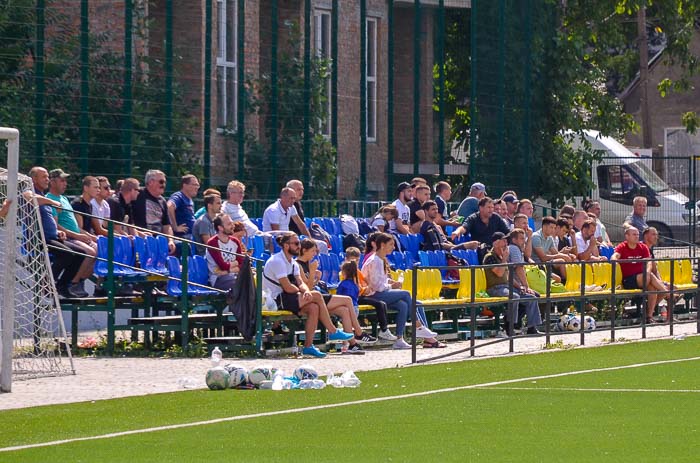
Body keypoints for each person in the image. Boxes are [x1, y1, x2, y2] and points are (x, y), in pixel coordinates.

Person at [261, 232, 353, 358]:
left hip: (287, 298)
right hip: (275, 300)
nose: (299, 246)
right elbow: (287, 287)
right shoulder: (277, 261)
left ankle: (308, 346)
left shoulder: (293, 263)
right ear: (286, 245)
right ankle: (332, 331)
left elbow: (300, 282)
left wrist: (306, 291)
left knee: (314, 308)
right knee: (317, 296)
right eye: (296, 243)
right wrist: (305, 292)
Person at [361, 233, 444, 349]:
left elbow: (380, 281)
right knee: (406, 294)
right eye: (391, 244)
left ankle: (399, 339)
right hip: (373, 295)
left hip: (378, 292)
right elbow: (377, 286)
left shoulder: (380, 259)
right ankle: (418, 327)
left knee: (403, 306)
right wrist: (391, 286)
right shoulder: (375, 261)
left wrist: (391, 283)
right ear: (382, 245)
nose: (393, 247)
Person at [295, 239, 376, 351]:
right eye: (313, 251)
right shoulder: (298, 265)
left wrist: (316, 278)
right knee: (347, 300)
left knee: (344, 310)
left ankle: (352, 344)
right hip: (309, 299)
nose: (314, 254)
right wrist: (313, 272)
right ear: (304, 250)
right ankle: (359, 332)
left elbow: (311, 286)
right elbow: (307, 290)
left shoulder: (308, 264)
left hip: (314, 297)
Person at [28, 167, 86, 298]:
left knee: (81, 253)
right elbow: (30, 197)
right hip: (39, 238)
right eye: (44, 177)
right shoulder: (30, 191)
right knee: (67, 254)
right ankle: (46, 283)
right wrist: (53, 202)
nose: (47, 180)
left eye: (48, 177)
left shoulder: (43, 195)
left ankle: (62, 286)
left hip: (52, 236)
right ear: (34, 179)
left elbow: (50, 221)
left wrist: (58, 231)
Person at [46, 169, 97, 297]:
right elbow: (56, 225)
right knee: (89, 252)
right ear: (52, 182)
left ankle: (78, 281)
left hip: (74, 236)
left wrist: (87, 235)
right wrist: (76, 235)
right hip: (67, 238)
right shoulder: (49, 199)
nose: (65, 184)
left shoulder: (63, 198)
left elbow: (73, 224)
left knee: (101, 249)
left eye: (65, 181)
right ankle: (72, 283)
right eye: (62, 180)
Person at [483, 232, 542, 335]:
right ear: (495, 243)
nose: (506, 243)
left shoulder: (501, 257)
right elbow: (499, 273)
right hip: (495, 288)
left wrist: (521, 287)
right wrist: (505, 259)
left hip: (506, 287)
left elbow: (508, 277)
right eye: (503, 240)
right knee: (514, 297)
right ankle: (510, 326)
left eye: (506, 241)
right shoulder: (489, 257)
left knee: (531, 297)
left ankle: (532, 327)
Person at [611, 227, 670, 324]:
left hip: (644, 278)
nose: (637, 236)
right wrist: (613, 258)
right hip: (629, 280)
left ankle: (648, 316)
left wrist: (646, 272)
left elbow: (649, 263)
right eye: (634, 234)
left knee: (652, 288)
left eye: (638, 234)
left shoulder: (643, 247)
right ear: (627, 236)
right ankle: (668, 293)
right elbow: (616, 255)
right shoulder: (622, 246)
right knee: (654, 281)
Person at [342, 247, 396, 341]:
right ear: (346, 259)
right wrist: (364, 289)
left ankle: (384, 329)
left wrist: (368, 287)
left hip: (361, 296)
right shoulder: (345, 272)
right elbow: (353, 288)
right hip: (354, 298)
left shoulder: (357, 272)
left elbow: (365, 282)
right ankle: (383, 330)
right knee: (379, 304)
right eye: (353, 260)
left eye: (358, 260)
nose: (355, 263)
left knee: (382, 304)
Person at [132, 169, 176, 253]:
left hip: (159, 239)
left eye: (164, 183)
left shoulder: (162, 201)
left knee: (182, 246)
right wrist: (138, 233)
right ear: (151, 182)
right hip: (142, 237)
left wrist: (170, 240)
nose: (163, 185)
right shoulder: (138, 194)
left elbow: (167, 225)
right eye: (161, 182)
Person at [221, 180, 273, 250]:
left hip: (258, 236)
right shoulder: (225, 208)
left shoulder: (239, 207)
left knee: (278, 237)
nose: (242, 195)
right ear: (230, 193)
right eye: (239, 192)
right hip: (247, 241)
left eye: (242, 193)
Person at [205, 214, 243, 291]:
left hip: (234, 275)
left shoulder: (235, 241)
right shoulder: (212, 243)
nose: (233, 226)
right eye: (229, 224)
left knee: (252, 280)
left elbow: (241, 263)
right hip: (218, 279)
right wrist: (235, 264)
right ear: (220, 228)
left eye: (232, 223)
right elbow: (222, 265)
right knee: (240, 284)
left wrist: (228, 270)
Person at [167, 174, 200, 240]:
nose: (197, 187)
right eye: (194, 185)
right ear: (185, 185)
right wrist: (175, 227)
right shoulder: (179, 196)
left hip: (192, 236)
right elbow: (169, 206)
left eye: (198, 185)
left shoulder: (190, 200)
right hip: (183, 238)